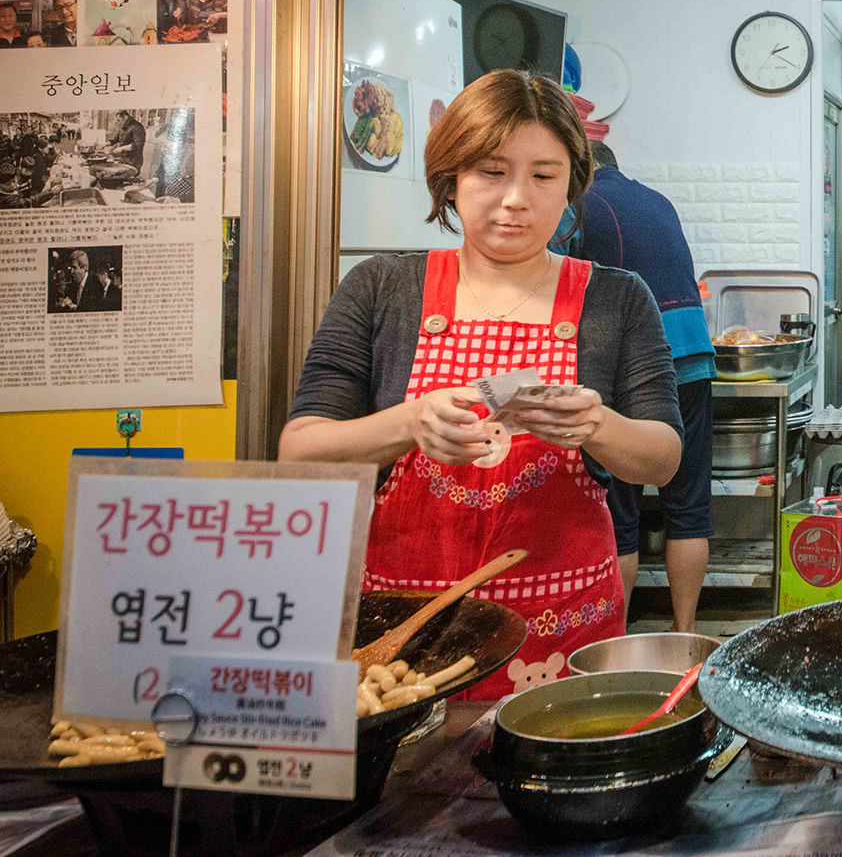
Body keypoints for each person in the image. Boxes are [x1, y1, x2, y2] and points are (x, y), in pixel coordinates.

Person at [281, 70, 682, 698]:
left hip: (560, 633)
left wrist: (596, 425)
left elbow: (662, 455)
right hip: (403, 629)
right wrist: (410, 423)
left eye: (543, 176)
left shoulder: (616, 299)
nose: (516, 198)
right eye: (492, 172)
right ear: (452, 178)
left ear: (571, 186)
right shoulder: (382, 288)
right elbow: (300, 449)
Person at [564, 132, 716, 634]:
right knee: (688, 505)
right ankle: (686, 632)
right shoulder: (656, 200)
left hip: (629, 366)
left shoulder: (580, 205)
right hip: (693, 354)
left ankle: (615, 634)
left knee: (620, 510)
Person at [49, 249, 88, 313]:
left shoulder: (95, 285)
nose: (71, 272)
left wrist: (73, 307)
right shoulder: (75, 285)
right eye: (70, 268)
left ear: (84, 268)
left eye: (74, 268)